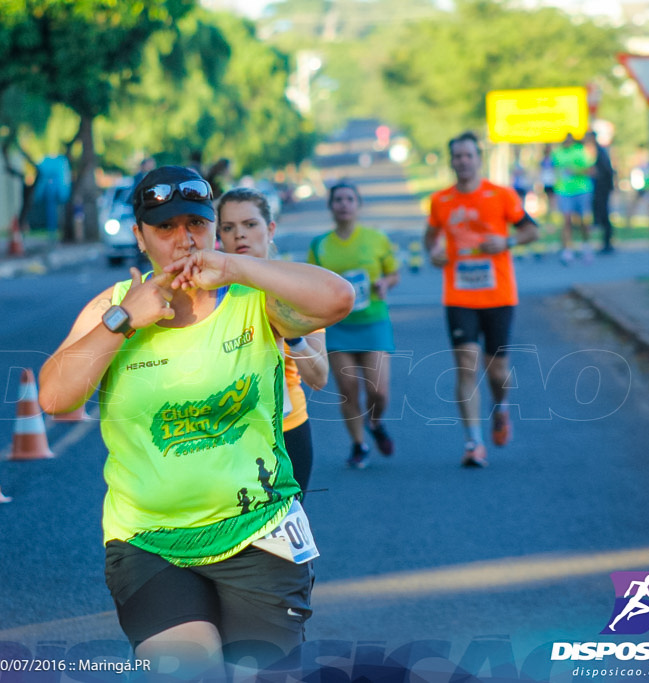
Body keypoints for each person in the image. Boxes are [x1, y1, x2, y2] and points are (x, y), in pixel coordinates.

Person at [38, 165, 354, 676]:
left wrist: (233, 268)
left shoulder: (256, 300)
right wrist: (123, 321)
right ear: (139, 237)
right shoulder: (113, 307)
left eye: (197, 224)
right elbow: (53, 396)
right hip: (147, 541)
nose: (184, 240)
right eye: (165, 228)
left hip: (259, 533)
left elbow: (339, 299)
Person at [424, 131, 539, 468]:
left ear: (478, 159)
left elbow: (532, 230)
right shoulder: (441, 201)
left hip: (499, 295)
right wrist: (434, 253)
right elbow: (430, 237)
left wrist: (506, 243)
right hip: (458, 295)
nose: (462, 161)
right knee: (466, 367)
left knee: (498, 371)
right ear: (451, 161)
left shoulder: (501, 195)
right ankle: (473, 442)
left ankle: (500, 408)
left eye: (467, 155)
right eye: (456, 156)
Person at [217, 187, 329, 498]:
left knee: (281, 542)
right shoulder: (208, 293)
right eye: (228, 228)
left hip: (286, 430)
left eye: (250, 225)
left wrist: (293, 334)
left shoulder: (296, 289)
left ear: (270, 229)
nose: (239, 235)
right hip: (225, 434)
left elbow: (319, 377)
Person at [307, 182, 400, 470]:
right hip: (338, 326)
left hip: (373, 322)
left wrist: (384, 283)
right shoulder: (320, 245)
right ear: (331, 206)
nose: (344, 204)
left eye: (349, 199)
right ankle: (359, 444)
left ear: (358, 205)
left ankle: (375, 422)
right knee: (348, 389)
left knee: (378, 392)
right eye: (338, 200)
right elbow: (313, 281)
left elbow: (393, 273)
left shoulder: (375, 239)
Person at [553, 133, 595, 264]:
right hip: (564, 191)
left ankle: (586, 247)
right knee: (566, 220)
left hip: (581, 189)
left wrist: (575, 171)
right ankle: (567, 250)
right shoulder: (557, 153)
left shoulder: (580, 151)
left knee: (583, 220)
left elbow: (591, 171)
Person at [586, 130, 616, 254]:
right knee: (602, 215)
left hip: (601, 189)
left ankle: (607, 243)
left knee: (604, 215)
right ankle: (606, 242)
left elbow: (605, 171)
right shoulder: (597, 151)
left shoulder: (599, 151)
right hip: (601, 188)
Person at [539, 144, 557, 219]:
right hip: (546, 182)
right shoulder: (543, 160)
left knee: (552, 200)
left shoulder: (554, 159)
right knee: (546, 199)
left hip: (552, 181)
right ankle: (547, 215)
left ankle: (552, 215)